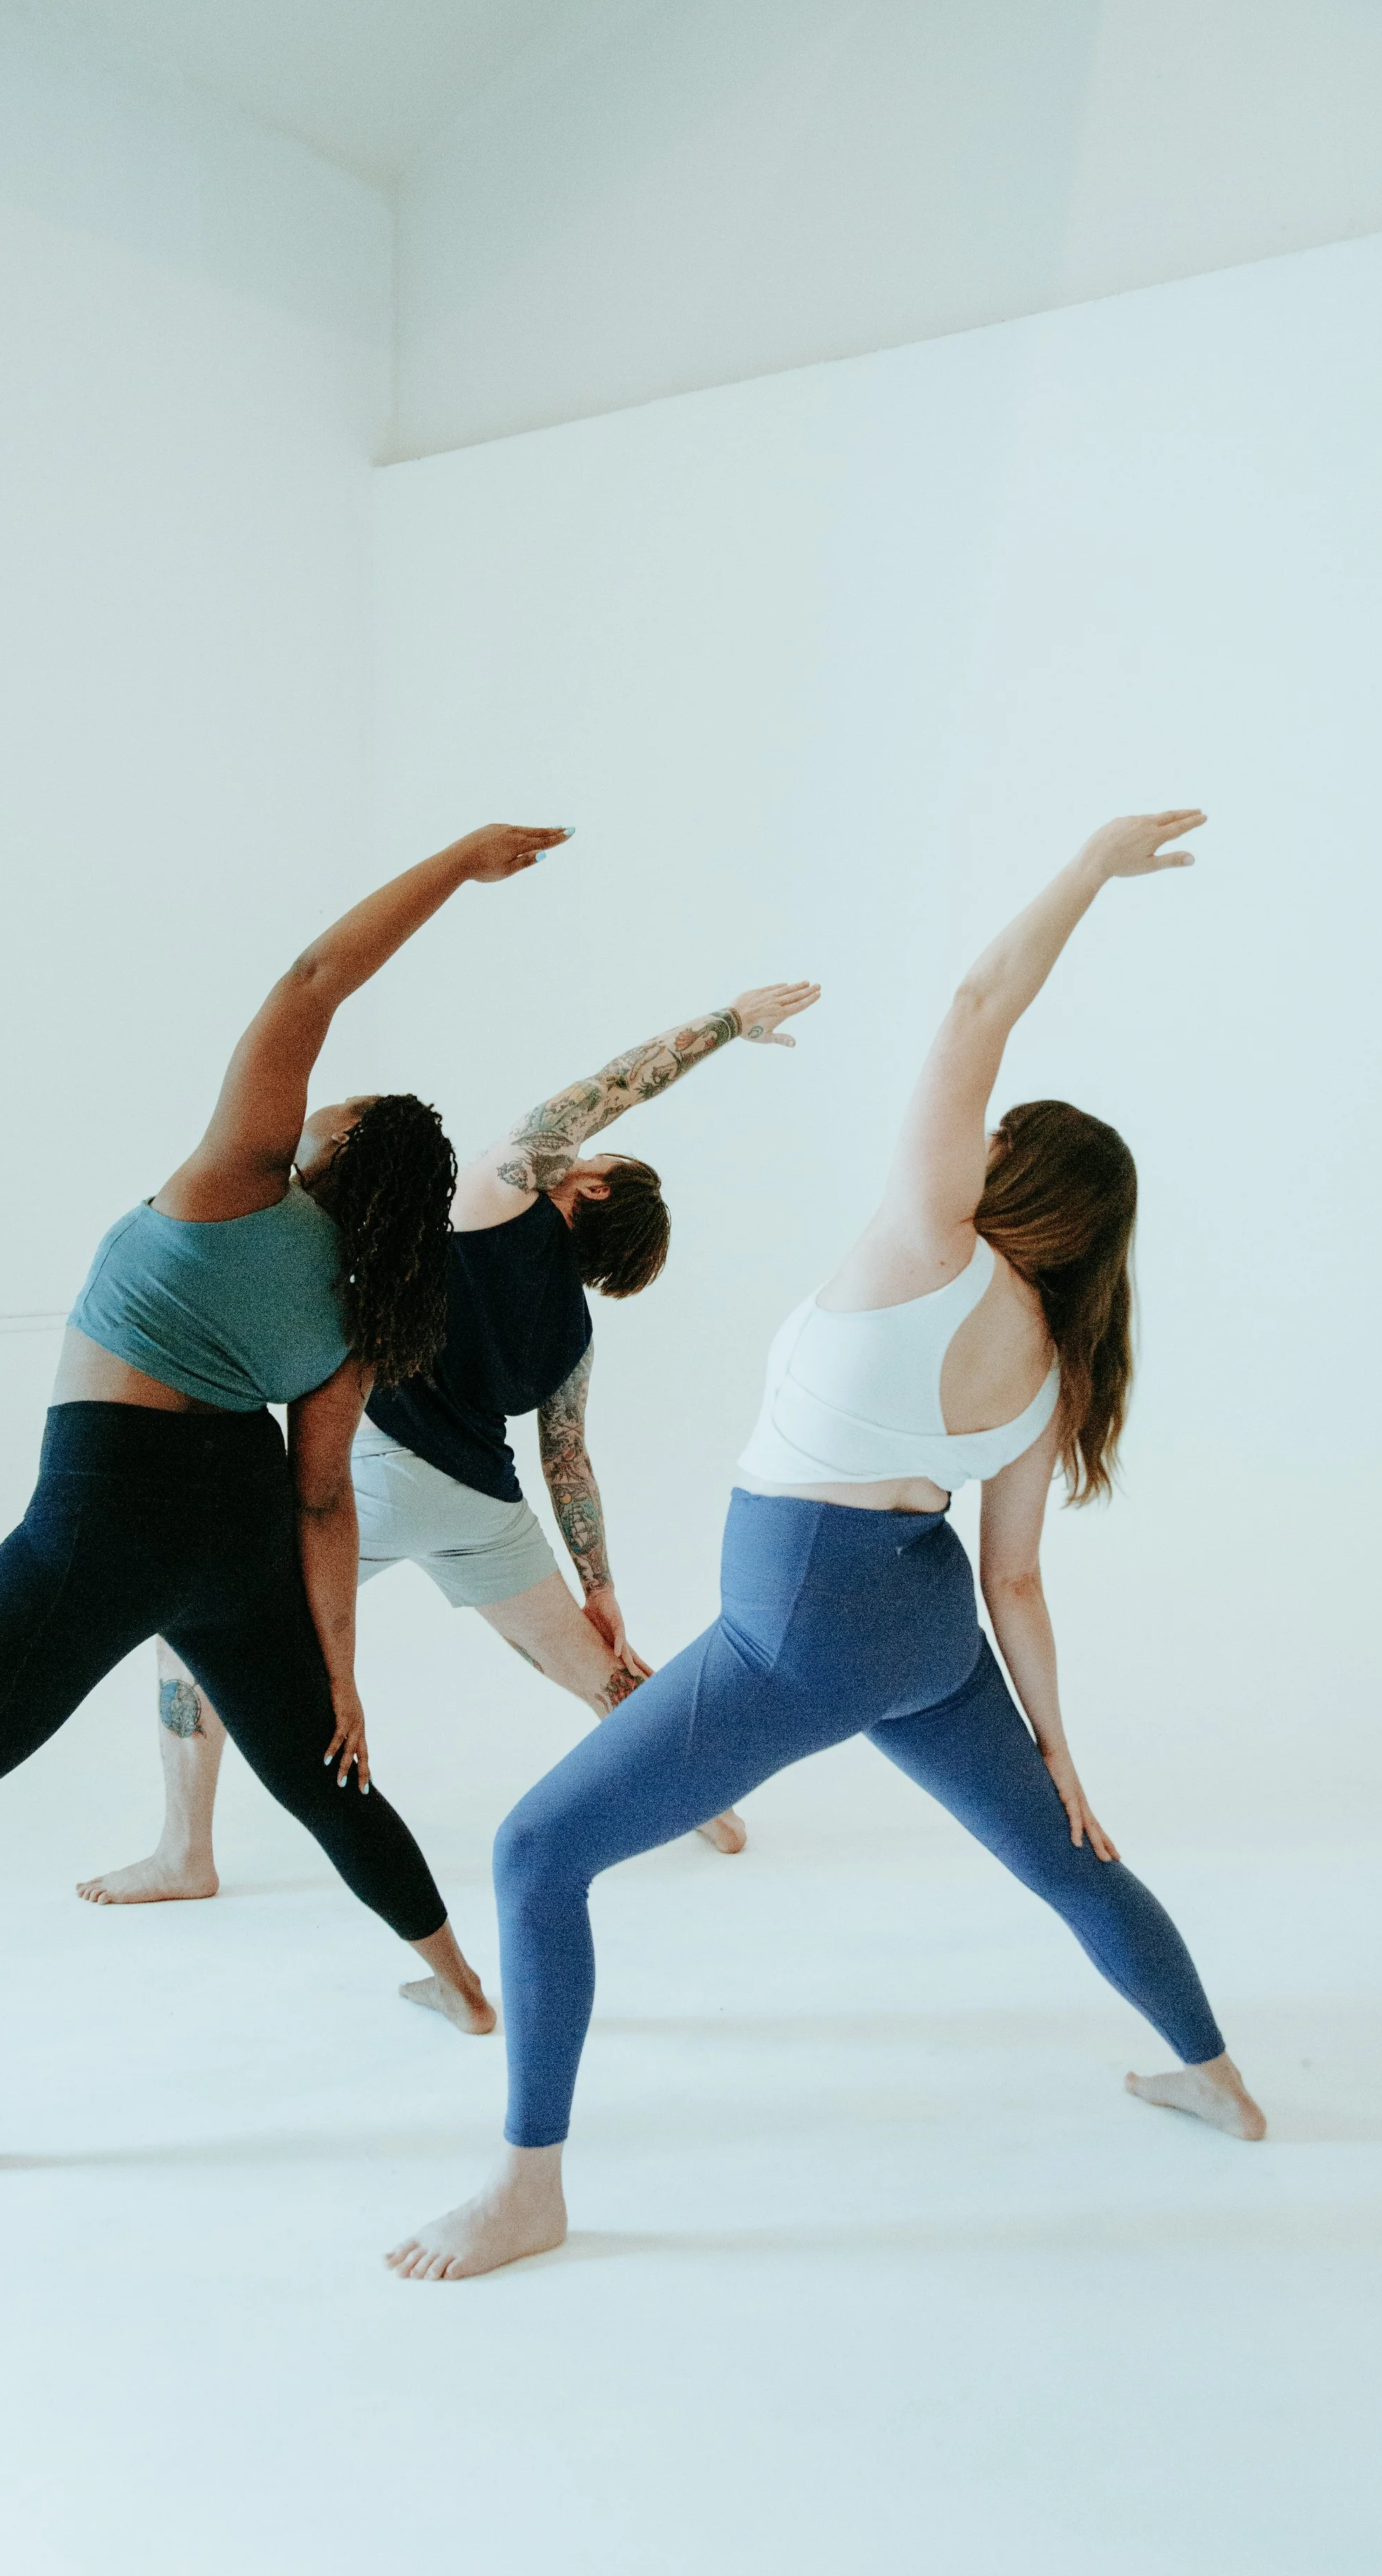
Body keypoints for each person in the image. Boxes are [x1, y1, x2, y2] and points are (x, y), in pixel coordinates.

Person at [387, 809, 1267, 2282]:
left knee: (535, 1852)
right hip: (923, 1635)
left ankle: (527, 2184)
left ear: (1011, 1177)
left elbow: (976, 1003)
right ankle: (1212, 2077)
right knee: (1063, 1858)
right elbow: (1012, 1581)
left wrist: (1083, 871)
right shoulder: (1053, 1364)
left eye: (991, 1140)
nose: (966, 1140)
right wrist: (1061, 1757)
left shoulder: (929, 1242)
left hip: (796, 1628)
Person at [0, 823, 567, 2187]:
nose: (316, 1112)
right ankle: (460, 1985)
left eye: (329, 1117)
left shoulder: (235, 1186)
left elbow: (316, 975)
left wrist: (455, 866)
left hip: (108, 1507)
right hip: (238, 1527)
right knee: (321, 1775)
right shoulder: (357, 1313)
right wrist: (340, 1676)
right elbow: (323, 1501)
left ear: (332, 1151)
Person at [76, 979, 822, 1902]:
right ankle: (708, 1801)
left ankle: (185, 1853)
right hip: (483, 1508)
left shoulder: (502, 1192)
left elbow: (616, 1082)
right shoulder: (573, 1336)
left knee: (190, 1631)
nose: (575, 1148)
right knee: (596, 1672)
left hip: (382, 1471)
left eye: (590, 1156)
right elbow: (567, 1461)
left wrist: (730, 1022)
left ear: (588, 1184)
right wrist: (599, 1586)